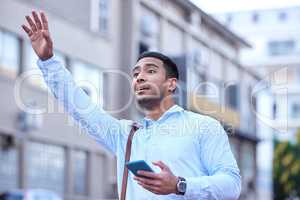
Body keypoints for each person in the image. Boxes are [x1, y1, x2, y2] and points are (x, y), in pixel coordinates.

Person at [21, 11, 241, 200]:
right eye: (136, 74)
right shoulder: (125, 135)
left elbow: (232, 185)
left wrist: (179, 185)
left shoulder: (203, 126)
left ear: (171, 84)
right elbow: (79, 106)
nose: (140, 78)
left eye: (151, 71)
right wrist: (49, 61)